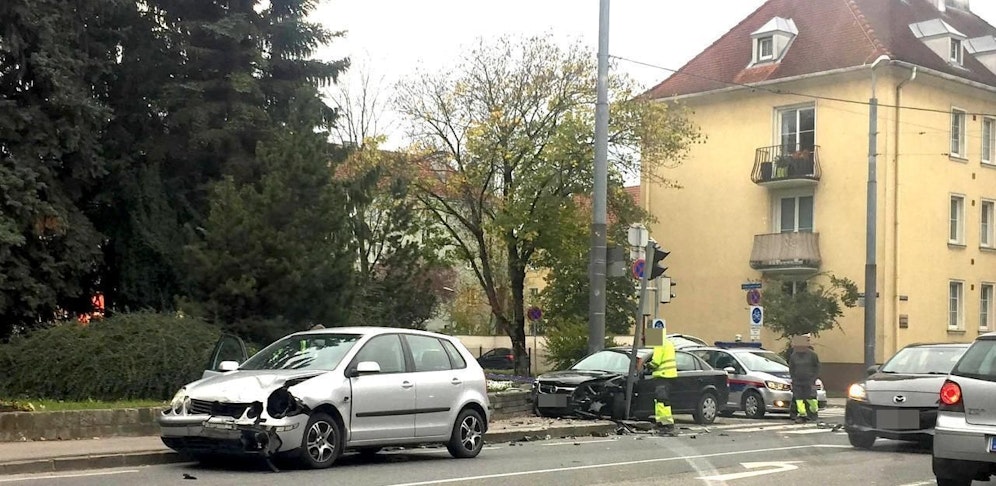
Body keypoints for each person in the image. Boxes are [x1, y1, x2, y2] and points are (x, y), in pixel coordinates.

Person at [646, 337, 678, 436]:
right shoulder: (668, 343)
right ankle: (661, 423)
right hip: (669, 375)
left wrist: (647, 365)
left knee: (662, 401)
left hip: (663, 375)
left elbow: (656, 362)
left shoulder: (659, 344)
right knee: (661, 401)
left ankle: (667, 424)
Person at [788, 335, 820, 423]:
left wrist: (813, 378)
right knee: (799, 399)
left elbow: (817, 367)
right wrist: (793, 378)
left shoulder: (812, 355)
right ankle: (802, 415)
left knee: (811, 398)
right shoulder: (794, 356)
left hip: (809, 381)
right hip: (798, 381)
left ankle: (813, 414)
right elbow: (791, 368)